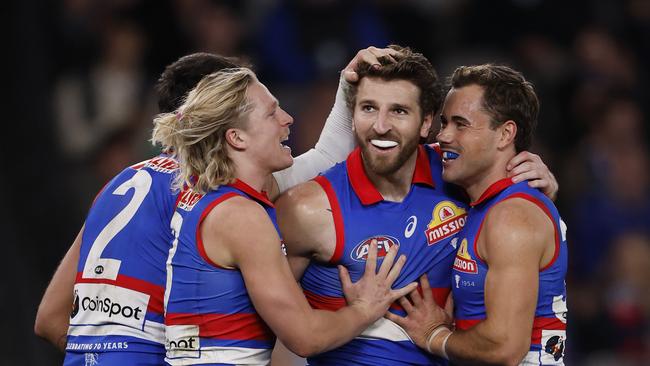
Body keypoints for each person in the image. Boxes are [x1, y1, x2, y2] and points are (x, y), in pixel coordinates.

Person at [34, 47, 396, 364]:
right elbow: (326, 161)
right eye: (266, 110)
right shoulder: (207, 189)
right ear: (222, 120)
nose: (285, 119)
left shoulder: (120, 184)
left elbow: (50, 318)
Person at [275, 46, 559, 365]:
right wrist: (359, 315)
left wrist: (539, 184)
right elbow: (272, 328)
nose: (381, 126)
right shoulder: (308, 208)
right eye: (368, 108)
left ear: (426, 123)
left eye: (398, 111)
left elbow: (520, 212)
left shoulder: (459, 176)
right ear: (352, 116)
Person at [154, 67, 417, 365]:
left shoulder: (218, 198)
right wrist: (364, 309)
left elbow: (326, 156)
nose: (287, 119)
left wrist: (347, 83)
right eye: (272, 113)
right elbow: (306, 336)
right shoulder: (241, 216)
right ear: (237, 137)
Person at [388, 64, 568, 365]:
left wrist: (435, 336)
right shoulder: (488, 204)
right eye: (444, 122)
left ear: (505, 134)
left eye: (461, 124)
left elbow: (506, 347)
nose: (443, 135)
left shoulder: (512, 216)